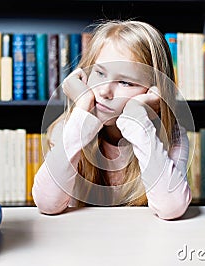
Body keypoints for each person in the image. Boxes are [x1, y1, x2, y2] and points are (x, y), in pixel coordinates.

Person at [32, 20, 192, 220]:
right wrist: (83, 110)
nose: (104, 91)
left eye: (125, 82)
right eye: (99, 73)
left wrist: (137, 119)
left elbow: (172, 208)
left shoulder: (173, 137)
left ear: (154, 93)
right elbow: (47, 204)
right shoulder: (69, 126)